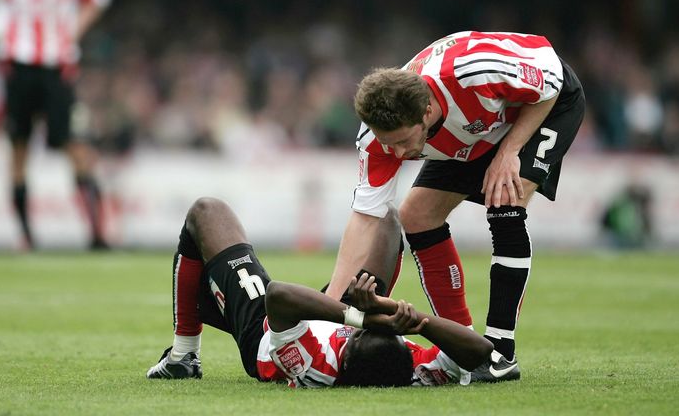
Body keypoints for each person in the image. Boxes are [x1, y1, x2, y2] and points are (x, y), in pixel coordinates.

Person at [326, 31, 586, 382]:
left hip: (545, 104)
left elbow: (550, 83)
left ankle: (500, 354)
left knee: (504, 199)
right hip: (475, 131)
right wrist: (330, 315)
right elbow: (364, 219)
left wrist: (510, 151)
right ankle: (461, 347)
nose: (400, 155)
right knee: (416, 217)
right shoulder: (378, 140)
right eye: (391, 145)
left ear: (427, 111)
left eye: (404, 141)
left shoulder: (474, 72)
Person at [145, 197, 492, 387]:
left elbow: (278, 296)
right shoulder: (413, 369)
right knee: (387, 219)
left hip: (270, 331)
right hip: (342, 314)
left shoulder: (314, 362)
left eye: (356, 335)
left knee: (206, 213)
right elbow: (481, 352)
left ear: (348, 350)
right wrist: (414, 320)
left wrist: (361, 316)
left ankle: (184, 357)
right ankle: (355, 304)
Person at [0, 0, 112, 250]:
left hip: (58, 68)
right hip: (17, 66)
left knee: (76, 146)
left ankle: (97, 235)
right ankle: (27, 237)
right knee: (19, 149)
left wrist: (72, 31)